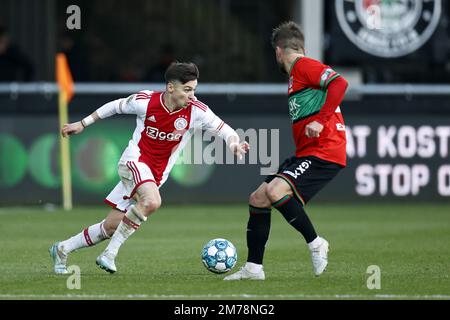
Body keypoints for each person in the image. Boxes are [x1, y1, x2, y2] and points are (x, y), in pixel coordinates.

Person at [49, 62, 249, 274]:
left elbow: (225, 130)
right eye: (187, 89)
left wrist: (234, 143)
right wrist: (83, 123)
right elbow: (115, 106)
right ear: (171, 87)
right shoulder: (145, 101)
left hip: (154, 176)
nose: (192, 95)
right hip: (134, 162)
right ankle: (109, 254)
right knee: (152, 201)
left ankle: (62, 248)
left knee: (111, 226)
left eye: (194, 90)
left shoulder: (197, 111)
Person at [224, 21, 348, 281]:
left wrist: (320, 120)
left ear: (279, 51)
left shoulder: (303, 65)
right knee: (258, 198)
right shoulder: (297, 76)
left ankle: (316, 243)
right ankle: (253, 269)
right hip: (308, 152)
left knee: (275, 190)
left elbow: (339, 83)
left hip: (324, 151)